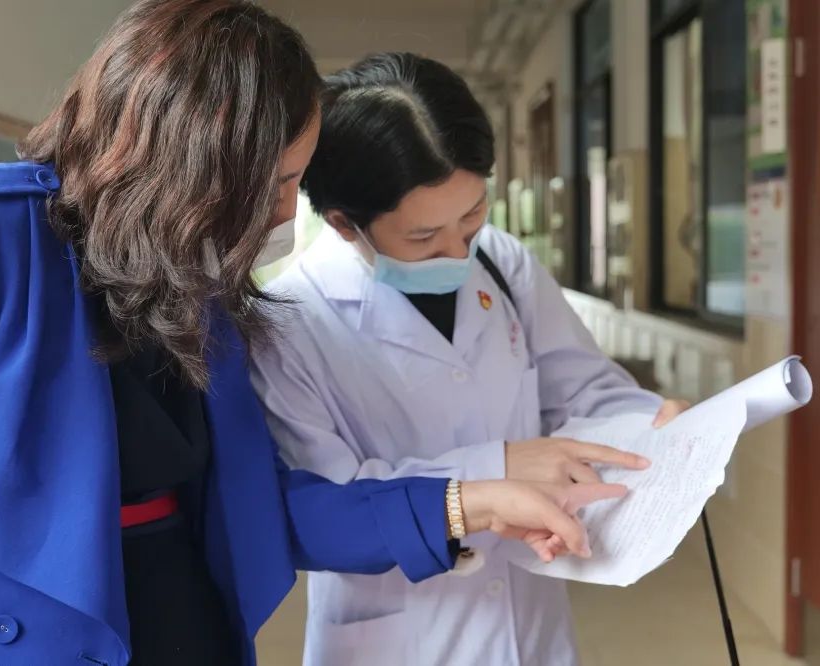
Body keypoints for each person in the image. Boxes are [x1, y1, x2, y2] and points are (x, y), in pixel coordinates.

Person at [0, 6, 627, 666]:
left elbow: (263, 502)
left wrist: (465, 501)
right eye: (273, 183)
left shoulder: (200, 282)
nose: (282, 213)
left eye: (293, 183)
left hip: (184, 625)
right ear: (187, 158)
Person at [249, 52, 689, 666]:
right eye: (424, 237)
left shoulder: (501, 263)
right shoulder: (289, 322)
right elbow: (331, 506)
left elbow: (585, 391)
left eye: (472, 215)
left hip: (531, 623)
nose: (459, 252)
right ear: (346, 224)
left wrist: (650, 422)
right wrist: (497, 469)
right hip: (400, 635)